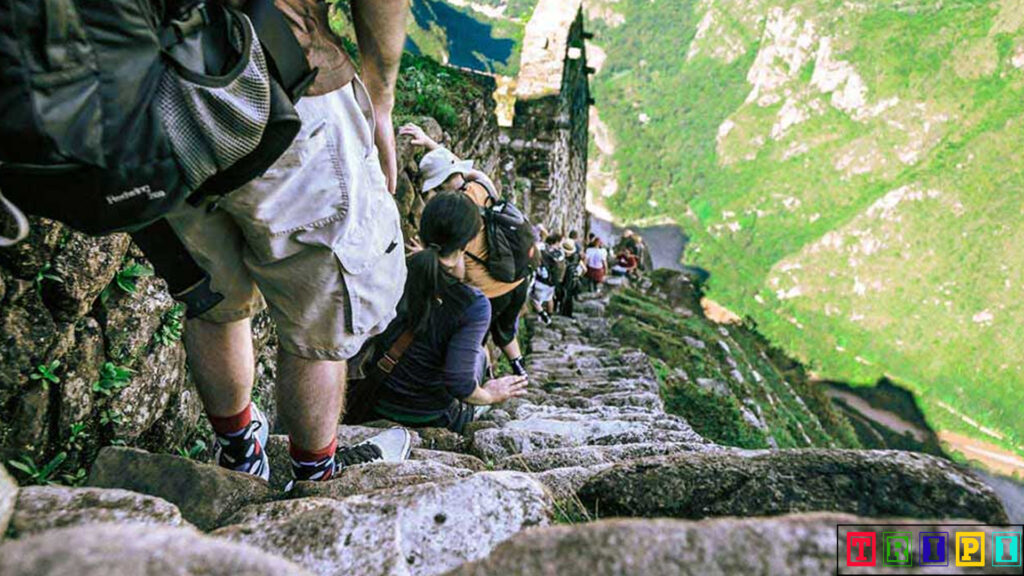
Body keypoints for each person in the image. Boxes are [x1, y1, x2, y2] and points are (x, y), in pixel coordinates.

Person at [165, 0, 414, 485]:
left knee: (215, 294)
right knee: (321, 311)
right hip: (276, 76)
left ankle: (240, 454)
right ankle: (313, 474)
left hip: (152, 97)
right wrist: (380, 99)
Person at [371, 193, 529, 432]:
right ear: (468, 243)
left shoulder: (393, 271)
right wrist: (490, 395)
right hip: (429, 416)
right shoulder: (473, 304)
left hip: (374, 398)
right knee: (479, 353)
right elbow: (460, 384)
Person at [400, 123, 531, 377]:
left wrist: (425, 256)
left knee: (473, 339)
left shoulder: (456, 217)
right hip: (517, 279)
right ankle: (520, 370)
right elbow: (457, 168)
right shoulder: (483, 185)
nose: (435, 193)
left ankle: (483, 381)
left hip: (490, 290)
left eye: (437, 187)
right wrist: (430, 143)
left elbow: (457, 270)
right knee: (505, 331)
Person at [531, 235, 565, 324]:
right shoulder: (560, 253)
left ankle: (543, 316)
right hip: (553, 282)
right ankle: (550, 315)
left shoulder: (542, 249)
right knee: (549, 298)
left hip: (541, 280)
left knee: (535, 300)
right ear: (556, 242)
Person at [558, 238, 581, 317]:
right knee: (569, 296)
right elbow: (584, 268)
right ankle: (568, 313)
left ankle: (562, 312)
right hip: (574, 278)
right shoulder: (577, 257)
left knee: (564, 294)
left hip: (566, 278)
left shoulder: (564, 259)